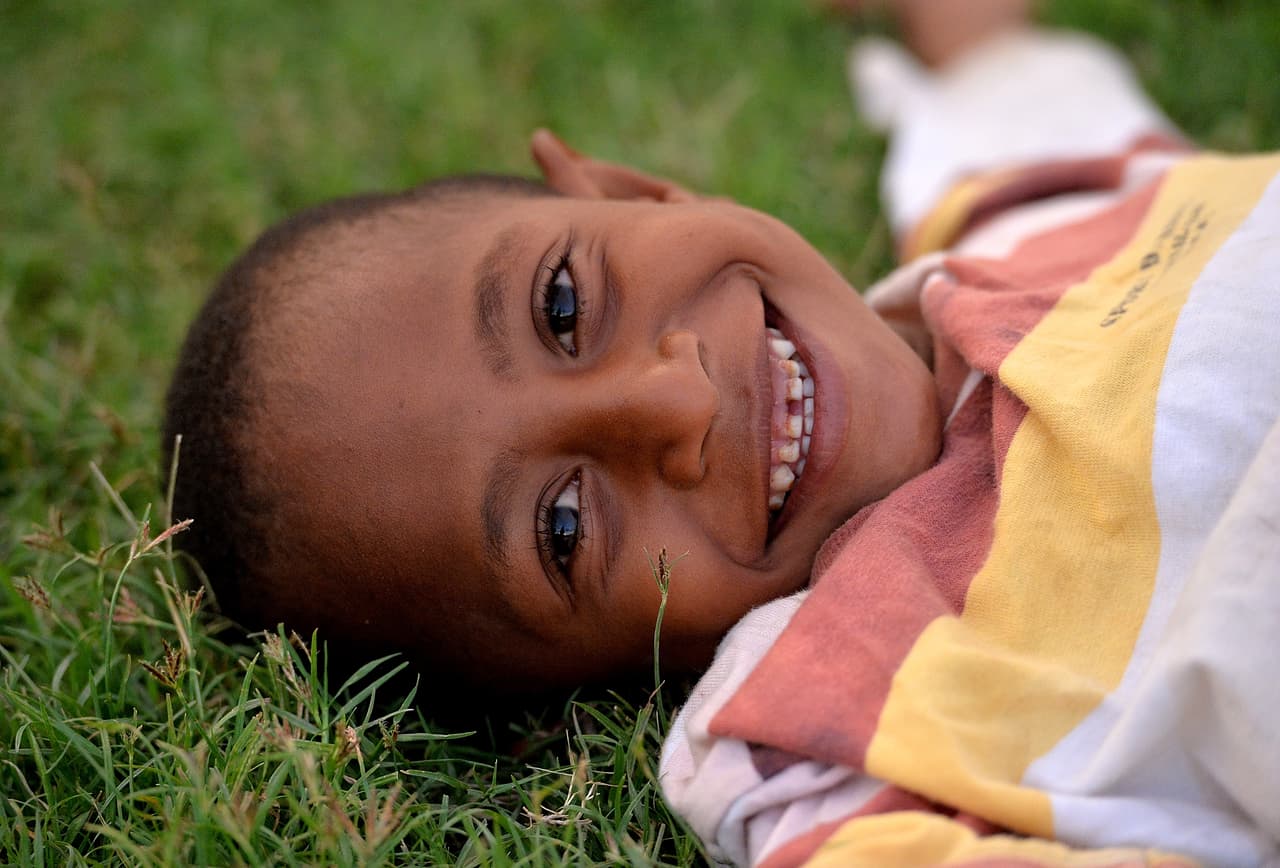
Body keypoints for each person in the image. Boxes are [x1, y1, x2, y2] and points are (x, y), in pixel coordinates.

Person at [162, 1, 1280, 862]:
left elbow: (1003, 73)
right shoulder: (823, 733)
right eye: (563, 527)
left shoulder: (1021, 220)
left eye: (562, 306)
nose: (677, 407)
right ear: (592, 682)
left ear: (635, 193)